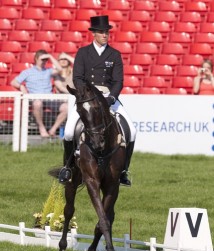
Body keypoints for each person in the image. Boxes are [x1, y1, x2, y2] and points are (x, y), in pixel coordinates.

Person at [59, 15, 137, 187]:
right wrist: (85, 95)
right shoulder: (83, 53)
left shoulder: (114, 54)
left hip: (108, 96)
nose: (105, 35)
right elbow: (78, 77)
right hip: (87, 97)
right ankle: (67, 167)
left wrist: (111, 97)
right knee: (70, 132)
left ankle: (123, 171)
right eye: (101, 32)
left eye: (107, 32)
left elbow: (119, 81)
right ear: (93, 33)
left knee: (132, 130)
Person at [10, 49, 67, 138]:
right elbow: (13, 82)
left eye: (45, 60)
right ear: (36, 59)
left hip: (49, 98)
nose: (44, 61)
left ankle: (53, 130)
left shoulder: (48, 71)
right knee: (37, 103)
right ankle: (42, 128)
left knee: (66, 107)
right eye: (42, 59)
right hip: (35, 98)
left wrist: (50, 57)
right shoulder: (27, 72)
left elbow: (60, 69)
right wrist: (22, 87)